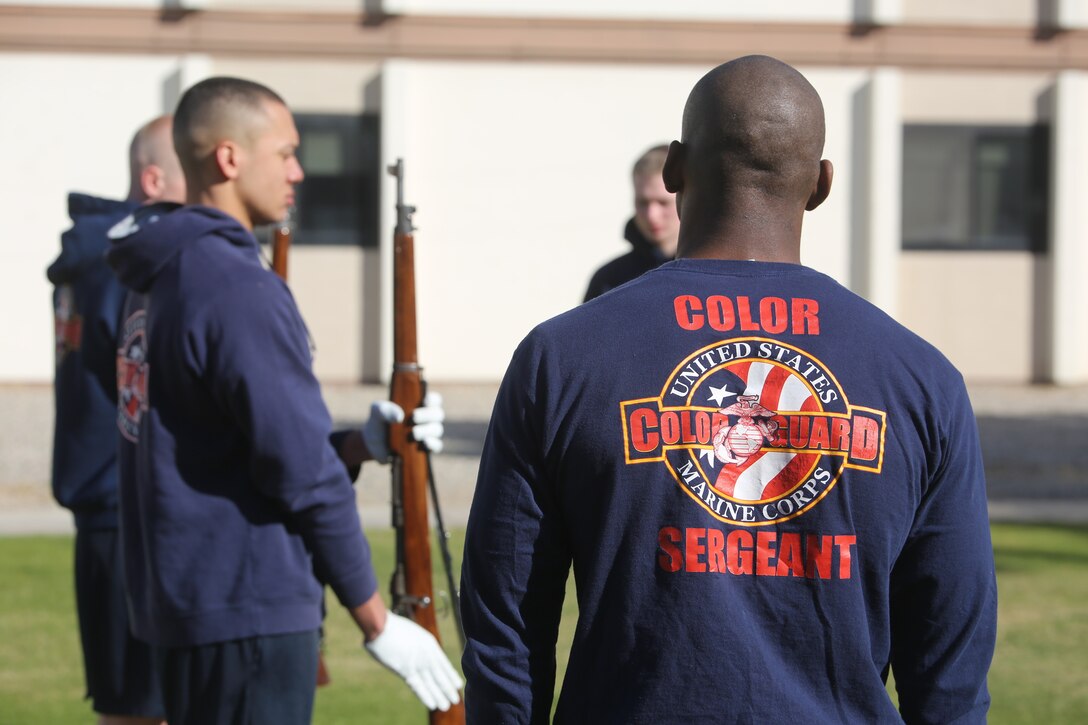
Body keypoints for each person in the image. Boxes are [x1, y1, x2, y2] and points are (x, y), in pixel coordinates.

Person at [461, 55, 996, 723]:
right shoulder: (922, 380)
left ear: (675, 169)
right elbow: (951, 666)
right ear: (821, 184)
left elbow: (506, 622)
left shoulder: (561, 359)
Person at [105, 77, 461, 724]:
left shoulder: (159, 276)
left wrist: (359, 444)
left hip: (188, 604)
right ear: (229, 158)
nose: (298, 171)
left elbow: (227, 440)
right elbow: (303, 474)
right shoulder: (236, 286)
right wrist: (377, 619)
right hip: (246, 609)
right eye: (286, 152)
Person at [47, 114, 185, 725]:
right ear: (154, 181)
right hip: (131, 510)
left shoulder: (96, 253)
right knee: (142, 712)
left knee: (135, 707)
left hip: (109, 506)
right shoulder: (125, 261)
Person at [583, 144, 680, 301]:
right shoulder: (609, 281)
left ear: (684, 200)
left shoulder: (711, 273)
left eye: (663, 203)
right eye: (643, 203)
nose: (652, 215)